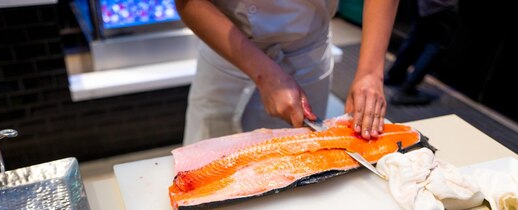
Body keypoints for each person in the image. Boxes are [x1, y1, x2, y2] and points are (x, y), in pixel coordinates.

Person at [176, 0, 400, 145]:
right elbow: (188, 3)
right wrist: (265, 75)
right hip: (226, 57)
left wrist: (370, 72)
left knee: (301, 178)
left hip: (307, 56)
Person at [385, 0, 459, 105]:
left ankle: (394, 75)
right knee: (435, 45)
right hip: (443, 6)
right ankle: (407, 88)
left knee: (416, 38)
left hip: (423, 4)